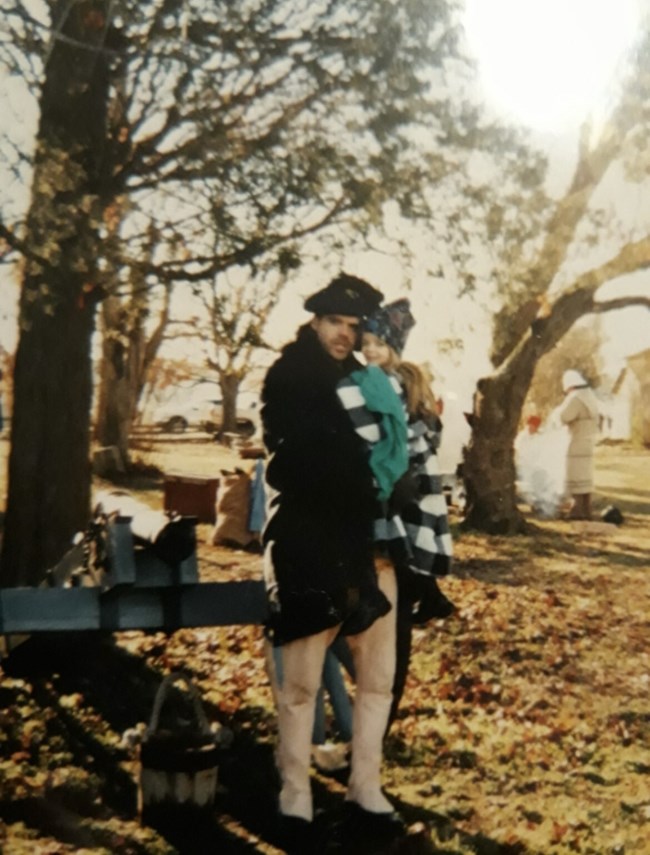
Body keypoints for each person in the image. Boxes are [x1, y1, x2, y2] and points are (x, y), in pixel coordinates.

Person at [261, 273, 404, 848]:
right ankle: (294, 794)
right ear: (315, 322)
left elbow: (402, 441)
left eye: (353, 325)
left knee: (379, 679)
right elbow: (288, 462)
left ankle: (364, 787)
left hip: (371, 545)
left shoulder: (372, 380)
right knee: (299, 685)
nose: (345, 334)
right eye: (335, 323)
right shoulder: (287, 376)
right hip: (309, 542)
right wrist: (361, 476)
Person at [337, 298, 454, 719]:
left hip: (404, 494)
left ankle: (378, 722)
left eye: (378, 344)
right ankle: (429, 591)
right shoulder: (392, 382)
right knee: (403, 587)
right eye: (366, 342)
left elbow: (388, 437)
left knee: (397, 603)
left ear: (394, 349)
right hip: (412, 493)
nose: (369, 350)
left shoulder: (383, 385)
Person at [556, 369, 600, 520]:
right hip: (588, 441)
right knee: (585, 477)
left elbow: (564, 416)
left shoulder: (575, 397)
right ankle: (586, 510)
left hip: (576, 440)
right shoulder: (590, 396)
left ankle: (577, 511)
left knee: (576, 475)